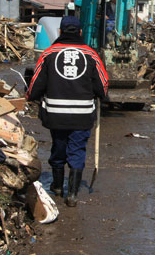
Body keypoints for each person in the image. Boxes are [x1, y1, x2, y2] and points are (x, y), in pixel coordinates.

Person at [26, 16, 108, 207]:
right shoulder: (91, 54)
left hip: (55, 114)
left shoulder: (49, 53)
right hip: (83, 115)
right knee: (77, 150)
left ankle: (57, 186)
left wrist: (30, 96)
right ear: (80, 33)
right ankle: (72, 195)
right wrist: (100, 95)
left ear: (61, 32)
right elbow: (103, 85)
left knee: (59, 147)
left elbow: (36, 83)